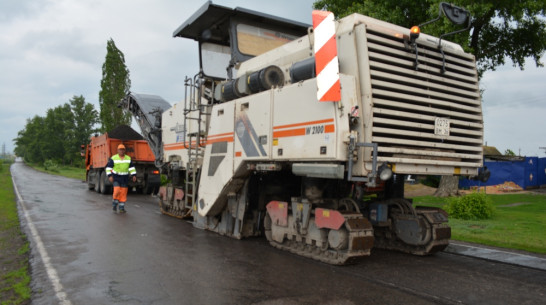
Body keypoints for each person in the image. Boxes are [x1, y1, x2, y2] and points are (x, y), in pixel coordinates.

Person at [105, 144, 137, 213]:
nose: (121, 151)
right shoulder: (114, 158)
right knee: (116, 191)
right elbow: (108, 168)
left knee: (123, 193)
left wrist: (134, 175)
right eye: (120, 149)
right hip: (116, 177)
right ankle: (114, 204)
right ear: (118, 150)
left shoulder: (128, 158)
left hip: (125, 178)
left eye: (123, 149)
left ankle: (121, 208)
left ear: (125, 150)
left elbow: (131, 168)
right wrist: (110, 176)